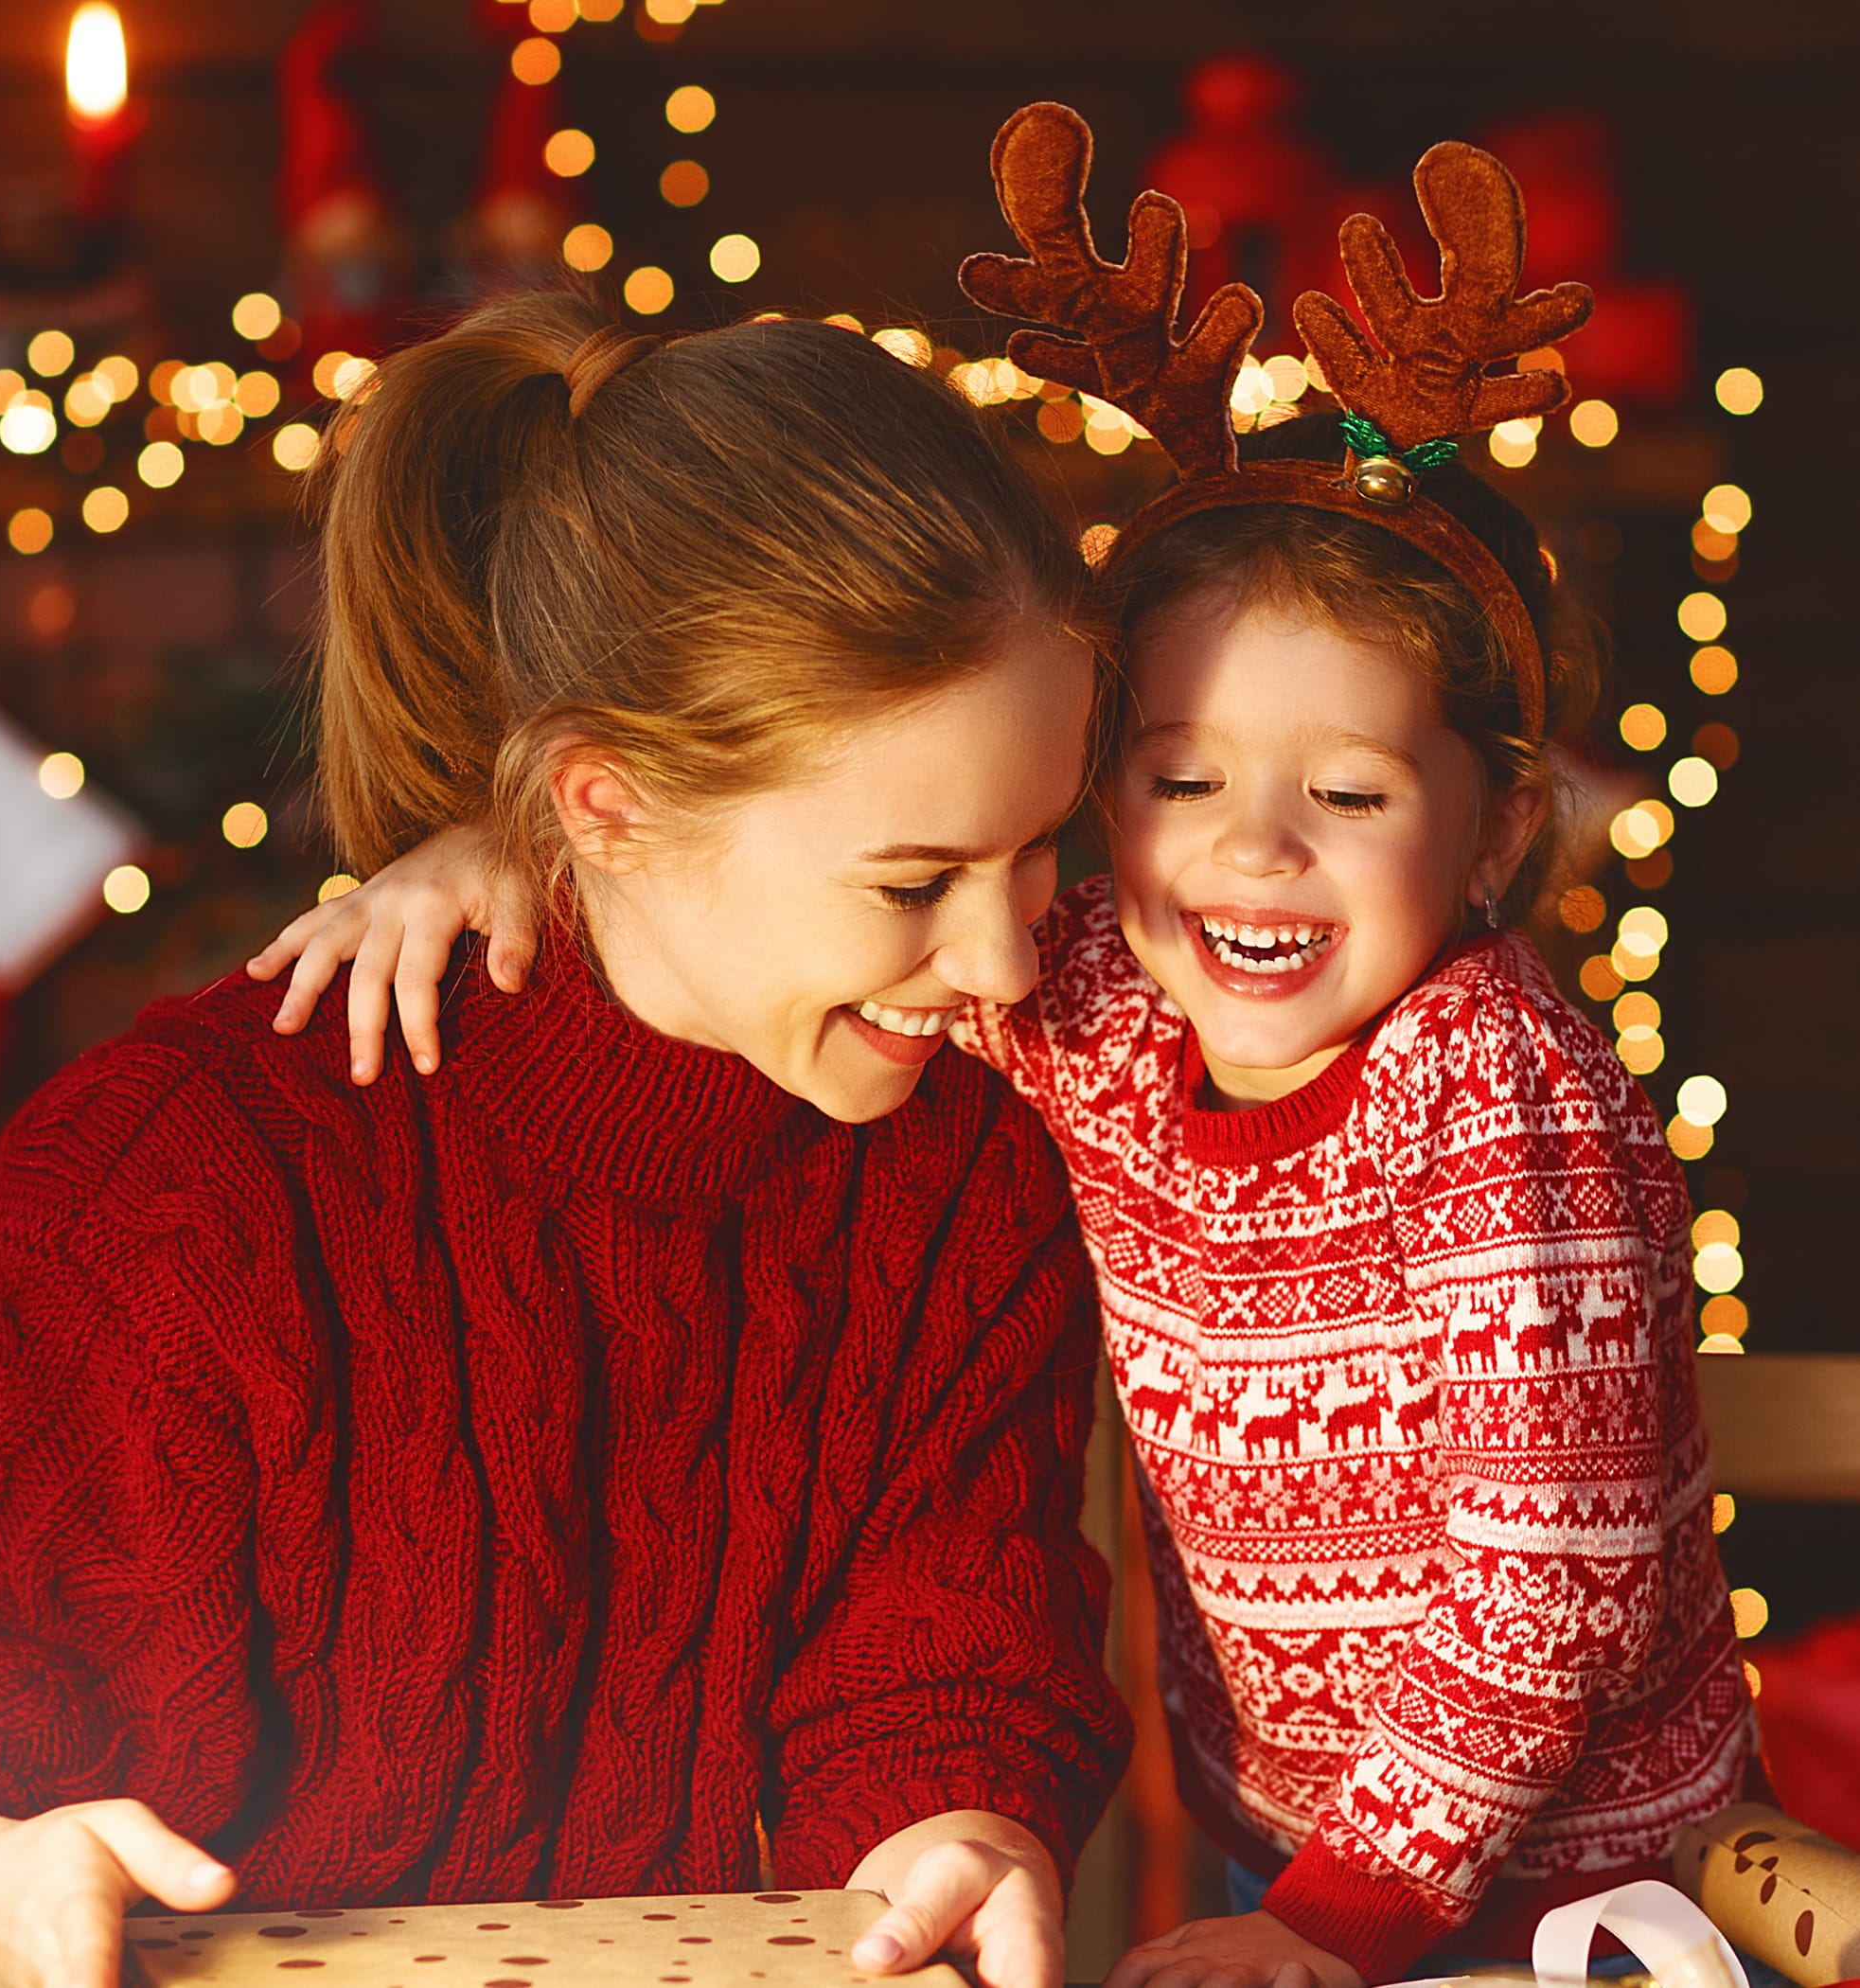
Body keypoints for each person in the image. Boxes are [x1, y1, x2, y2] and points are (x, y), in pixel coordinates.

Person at [259, 119, 1756, 1988]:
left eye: (1351, 792)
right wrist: (510, 850)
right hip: (1296, 1867)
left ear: (1498, 832)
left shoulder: (1503, 1101)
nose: (1253, 848)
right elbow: (789, 893)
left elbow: (1556, 1579)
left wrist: (1330, 1926)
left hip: (1585, 1890)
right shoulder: (1104, 998)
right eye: (1174, 780)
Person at [0, 291, 1137, 1988]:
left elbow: (944, 1655)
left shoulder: (964, 1160)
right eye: (914, 884)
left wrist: (953, 1829)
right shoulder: (183, 1179)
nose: (1004, 964)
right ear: (606, 804)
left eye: (1040, 847)